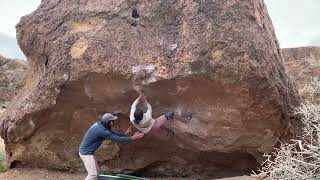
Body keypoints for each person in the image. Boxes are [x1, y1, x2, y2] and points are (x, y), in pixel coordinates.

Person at [79, 113, 144, 180]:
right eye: (113, 120)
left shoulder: (101, 124)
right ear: (109, 122)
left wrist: (125, 134)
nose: (114, 122)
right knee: (93, 174)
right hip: (86, 153)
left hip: (88, 152)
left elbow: (113, 134)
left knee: (96, 173)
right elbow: (117, 138)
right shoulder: (102, 130)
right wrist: (132, 138)